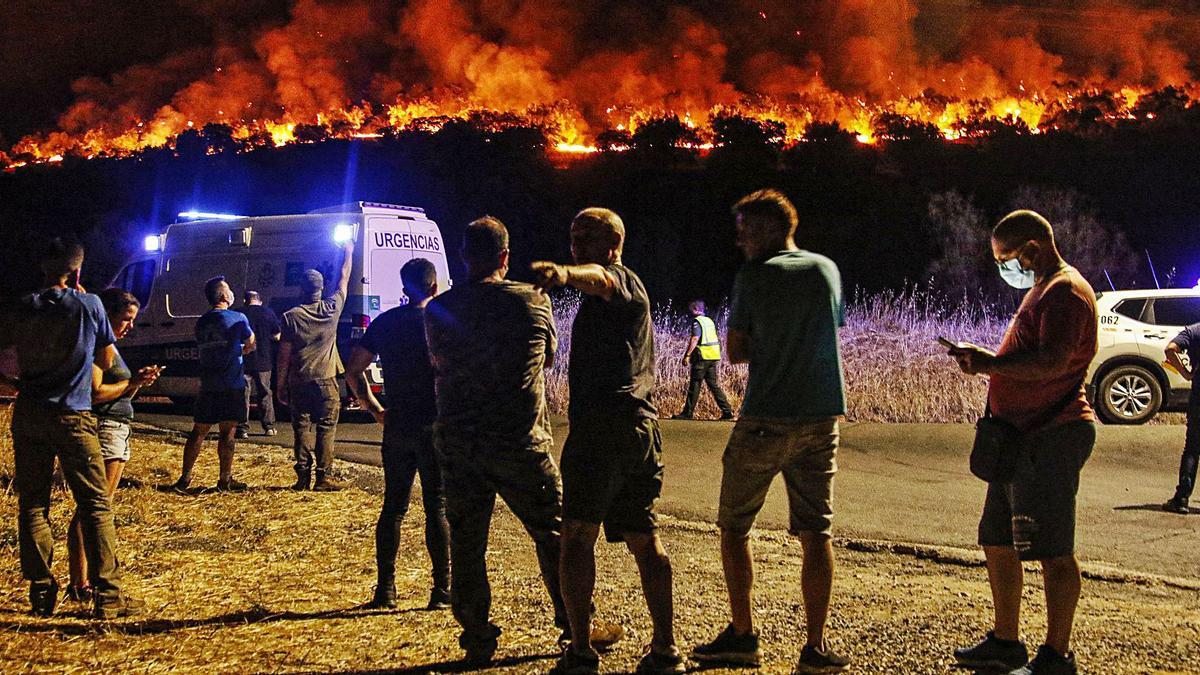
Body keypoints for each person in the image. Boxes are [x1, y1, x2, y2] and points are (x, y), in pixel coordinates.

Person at [425, 217, 620, 665]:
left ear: (463, 257)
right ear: (505, 257)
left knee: (468, 541)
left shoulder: (438, 309)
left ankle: (476, 635)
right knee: (555, 535)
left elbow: (439, 360)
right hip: (520, 439)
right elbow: (547, 358)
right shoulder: (532, 301)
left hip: (459, 440)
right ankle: (576, 625)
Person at [691, 190, 851, 673]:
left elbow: (737, 351)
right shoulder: (826, 269)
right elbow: (829, 328)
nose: (739, 240)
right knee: (815, 531)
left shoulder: (755, 276)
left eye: (745, 229)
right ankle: (816, 647)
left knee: (735, 527)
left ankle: (743, 634)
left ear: (769, 229)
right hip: (822, 416)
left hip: (767, 416)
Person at [533, 208, 684, 675]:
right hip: (638, 431)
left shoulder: (623, 282)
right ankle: (665, 649)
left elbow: (599, 278)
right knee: (643, 537)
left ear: (613, 243)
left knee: (577, 537)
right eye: (573, 238)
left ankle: (580, 652)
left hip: (604, 432)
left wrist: (564, 273)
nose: (576, 245)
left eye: (587, 238)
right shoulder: (604, 297)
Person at [947, 210, 1098, 675]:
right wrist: (991, 364)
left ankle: (1056, 655)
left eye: (1006, 258)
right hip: (1017, 438)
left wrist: (993, 365)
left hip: (1049, 435)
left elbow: (1053, 363)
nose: (1004, 267)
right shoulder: (1042, 289)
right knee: (997, 540)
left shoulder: (1065, 293)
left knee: (1052, 546)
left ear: (1031, 249)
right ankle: (1006, 641)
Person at [0, 238, 142, 619]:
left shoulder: (22, 306)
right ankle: (107, 597)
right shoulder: (91, 305)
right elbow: (107, 357)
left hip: (29, 413)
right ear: (77, 271)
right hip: (73, 414)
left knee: (32, 503)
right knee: (95, 504)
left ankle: (41, 590)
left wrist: (16, 383)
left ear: (41, 266)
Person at [346, 258, 451, 611]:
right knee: (436, 506)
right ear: (435, 287)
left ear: (405, 288)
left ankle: (386, 589)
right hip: (435, 425)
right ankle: (441, 591)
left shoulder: (386, 323)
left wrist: (373, 408)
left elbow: (354, 368)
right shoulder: (443, 321)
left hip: (398, 424)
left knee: (393, 507)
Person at [66, 288, 161, 603]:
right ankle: (83, 584)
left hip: (116, 429)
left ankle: (84, 582)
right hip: (105, 430)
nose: (130, 326)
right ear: (106, 315)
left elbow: (118, 393)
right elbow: (95, 393)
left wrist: (136, 385)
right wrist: (131, 383)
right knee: (95, 509)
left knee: (96, 508)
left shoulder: (110, 347)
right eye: (125, 319)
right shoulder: (98, 346)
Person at [277, 240, 353, 491]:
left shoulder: (290, 317)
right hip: (325, 378)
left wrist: (280, 385)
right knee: (326, 427)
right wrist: (349, 251)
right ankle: (323, 476)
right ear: (320, 290)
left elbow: (284, 355)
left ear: (301, 288)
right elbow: (344, 278)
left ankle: (302, 477)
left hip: (299, 379)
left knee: (301, 428)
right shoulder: (332, 309)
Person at [173, 276, 256, 493]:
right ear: (223, 296)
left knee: (198, 431)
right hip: (231, 384)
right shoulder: (238, 317)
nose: (231, 292)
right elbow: (250, 342)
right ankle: (224, 479)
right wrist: (243, 349)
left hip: (208, 384)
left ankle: (185, 477)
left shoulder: (202, 321)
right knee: (227, 432)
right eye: (228, 289)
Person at [673, 299, 735, 421]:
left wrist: (687, 355)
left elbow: (695, 339)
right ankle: (727, 411)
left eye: (691, 309)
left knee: (695, 384)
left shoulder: (697, 321)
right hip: (713, 356)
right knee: (713, 385)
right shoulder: (709, 321)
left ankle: (688, 413)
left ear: (695, 309)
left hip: (702, 357)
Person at [1163, 323, 1200, 514]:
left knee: (1193, 449)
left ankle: (1182, 498)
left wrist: (1186, 373)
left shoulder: (1194, 330)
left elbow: (1170, 349)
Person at [237, 290, 281, 439]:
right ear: (259, 300)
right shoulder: (268, 312)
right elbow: (277, 335)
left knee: (243, 394)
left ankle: (242, 428)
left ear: (245, 300)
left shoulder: (239, 313)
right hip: (263, 359)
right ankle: (268, 426)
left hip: (243, 359)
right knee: (265, 392)